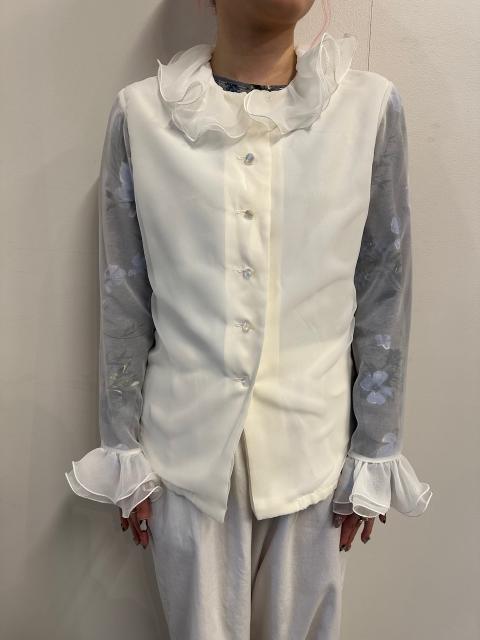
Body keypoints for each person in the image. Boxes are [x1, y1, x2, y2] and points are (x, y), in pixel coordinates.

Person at [65, 0, 433, 637]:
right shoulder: (142, 116)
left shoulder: (368, 110)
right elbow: (123, 292)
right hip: (183, 459)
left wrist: (376, 447)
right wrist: (122, 446)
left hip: (315, 460)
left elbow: (385, 286)